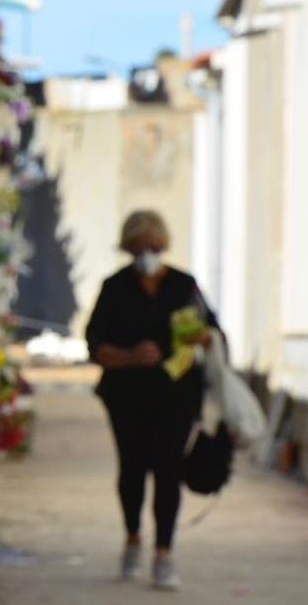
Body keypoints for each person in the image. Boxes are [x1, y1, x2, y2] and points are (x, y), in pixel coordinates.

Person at [85, 210, 218, 590]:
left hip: (176, 395)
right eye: (141, 248)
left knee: (168, 471)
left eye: (155, 247)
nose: (149, 255)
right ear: (129, 249)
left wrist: (199, 338)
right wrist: (130, 357)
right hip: (127, 396)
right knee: (131, 469)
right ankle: (132, 538)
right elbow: (94, 345)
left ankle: (164, 551)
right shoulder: (114, 288)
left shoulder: (184, 285)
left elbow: (212, 330)